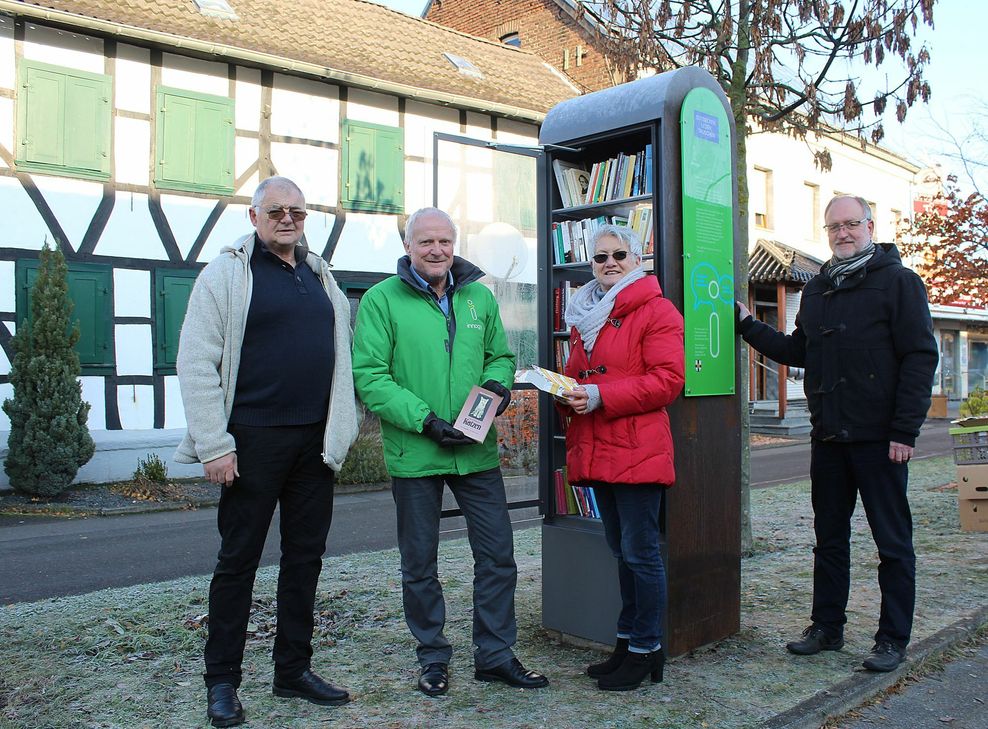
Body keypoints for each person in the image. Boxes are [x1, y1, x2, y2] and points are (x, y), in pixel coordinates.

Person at [175, 176, 359, 727]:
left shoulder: (319, 274)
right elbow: (196, 362)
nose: (287, 219)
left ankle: (292, 670)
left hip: (313, 445)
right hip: (250, 444)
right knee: (238, 563)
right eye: (275, 210)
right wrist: (214, 444)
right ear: (253, 216)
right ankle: (222, 682)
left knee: (305, 560)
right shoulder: (226, 274)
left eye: (297, 212)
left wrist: (339, 431)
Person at [351, 207, 549, 697]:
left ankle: (495, 655)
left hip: (475, 451)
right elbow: (370, 376)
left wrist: (498, 387)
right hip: (416, 451)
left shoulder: (479, 297)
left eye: (444, 241)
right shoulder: (380, 300)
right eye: (426, 242)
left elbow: (500, 357)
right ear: (408, 246)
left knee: (498, 556)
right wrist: (426, 420)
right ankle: (433, 656)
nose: (436, 250)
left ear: (454, 244)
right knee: (419, 564)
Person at [736, 194, 938, 673]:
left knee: (892, 543)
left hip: (881, 440)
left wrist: (904, 431)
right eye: (834, 226)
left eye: (851, 224)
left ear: (870, 226)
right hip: (828, 437)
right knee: (828, 539)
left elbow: (919, 357)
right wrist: (746, 325)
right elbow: (799, 350)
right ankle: (827, 627)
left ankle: (892, 639)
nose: (842, 233)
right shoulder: (818, 289)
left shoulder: (900, 282)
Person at [558, 224, 685, 691]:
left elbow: (668, 381)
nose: (609, 263)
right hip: (600, 447)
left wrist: (597, 394)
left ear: (637, 259)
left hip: (637, 449)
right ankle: (628, 642)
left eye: (619, 255)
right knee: (622, 552)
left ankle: (647, 649)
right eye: (601, 257)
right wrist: (566, 392)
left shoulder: (657, 310)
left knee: (640, 554)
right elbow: (580, 377)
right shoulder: (585, 313)